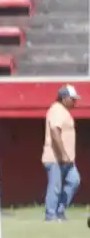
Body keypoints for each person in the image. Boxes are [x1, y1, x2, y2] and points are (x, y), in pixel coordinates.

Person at [42, 85, 81, 222]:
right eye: (72, 99)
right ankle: (51, 215)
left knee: (74, 181)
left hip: (67, 159)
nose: (75, 102)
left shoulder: (64, 111)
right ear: (64, 98)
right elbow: (55, 132)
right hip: (55, 158)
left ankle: (60, 210)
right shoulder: (56, 110)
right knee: (55, 186)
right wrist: (63, 153)